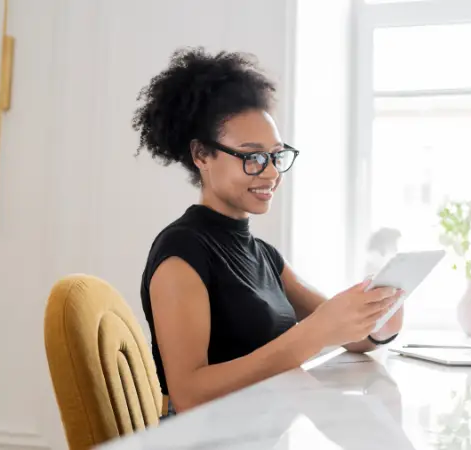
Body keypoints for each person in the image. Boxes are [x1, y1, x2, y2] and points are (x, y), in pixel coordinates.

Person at [133, 48, 404, 416]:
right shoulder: (181, 252)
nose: (272, 172)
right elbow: (189, 394)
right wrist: (313, 334)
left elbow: (345, 333)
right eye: (252, 157)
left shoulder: (265, 256)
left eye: (276, 156)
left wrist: (379, 317)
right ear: (201, 155)